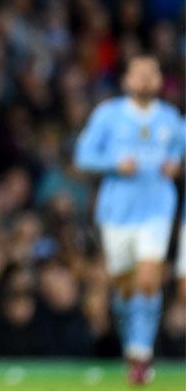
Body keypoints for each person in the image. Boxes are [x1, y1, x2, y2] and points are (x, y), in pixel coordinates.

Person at [74, 55, 184, 385]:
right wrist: (113, 163)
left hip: (157, 209)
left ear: (159, 80)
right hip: (117, 212)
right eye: (139, 73)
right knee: (124, 289)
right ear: (126, 80)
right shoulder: (108, 116)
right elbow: (83, 156)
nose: (146, 79)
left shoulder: (171, 119)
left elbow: (179, 152)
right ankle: (131, 343)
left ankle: (141, 355)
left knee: (148, 279)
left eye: (152, 73)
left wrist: (175, 164)